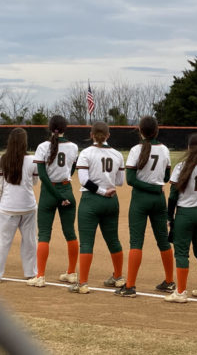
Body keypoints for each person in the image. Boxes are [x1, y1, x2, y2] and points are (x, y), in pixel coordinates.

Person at [115, 116, 175, 297]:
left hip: (141, 199)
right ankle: (170, 281)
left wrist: (149, 186)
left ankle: (130, 286)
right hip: (159, 198)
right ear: (156, 131)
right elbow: (165, 178)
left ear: (140, 130)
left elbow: (131, 179)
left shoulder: (136, 150)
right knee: (163, 240)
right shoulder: (164, 150)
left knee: (136, 242)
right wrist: (155, 186)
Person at [69, 121, 125, 294]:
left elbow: (84, 180)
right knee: (113, 240)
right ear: (108, 135)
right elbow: (120, 182)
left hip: (91, 200)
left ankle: (83, 283)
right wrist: (106, 188)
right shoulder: (117, 154)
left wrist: (100, 191)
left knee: (86, 243)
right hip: (111, 202)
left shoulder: (86, 153)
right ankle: (118, 277)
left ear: (91, 134)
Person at [27, 115, 79, 288]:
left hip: (49, 192)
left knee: (44, 234)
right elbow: (71, 169)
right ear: (65, 128)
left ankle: (40, 276)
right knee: (70, 232)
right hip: (66, 190)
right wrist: (62, 193)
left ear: (50, 128)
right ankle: (71, 273)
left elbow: (42, 175)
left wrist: (57, 195)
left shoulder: (43, 147)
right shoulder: (73, 146)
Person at [164, 133, 197, 303]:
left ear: (188, 148)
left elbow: (172, 196)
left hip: (185, 214)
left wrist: (169, 217)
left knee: (182, 253)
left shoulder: (181, 167)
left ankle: (180, 292)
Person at [0, 128, 38, 281]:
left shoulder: (3, 160)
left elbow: (0, 186)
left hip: (8, 207)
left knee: (3, 241)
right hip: (28, 206)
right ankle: (30, 273)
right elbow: (35, 182)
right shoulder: (32, 160)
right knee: (29, 241)